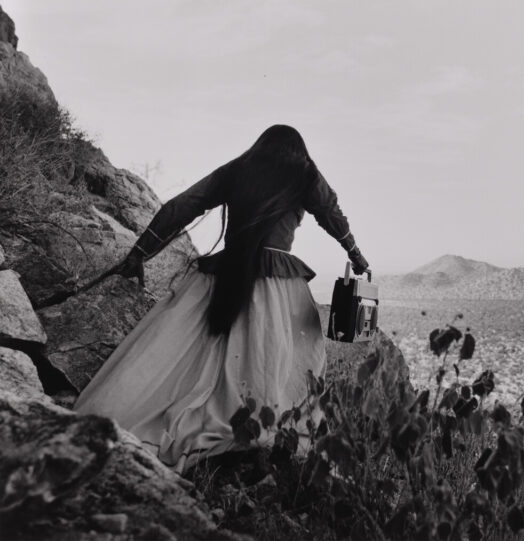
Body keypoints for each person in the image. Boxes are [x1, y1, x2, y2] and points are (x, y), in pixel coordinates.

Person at [74, 125, 369, 473]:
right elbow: (331, 213)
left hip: (223, 274)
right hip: (276, 285)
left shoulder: (239, 168)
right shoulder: (304, 172)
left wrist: (141, 252)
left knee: (187, 353)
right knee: (286, 358)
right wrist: (356, 256)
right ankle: (261, 427)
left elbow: (184, 205)